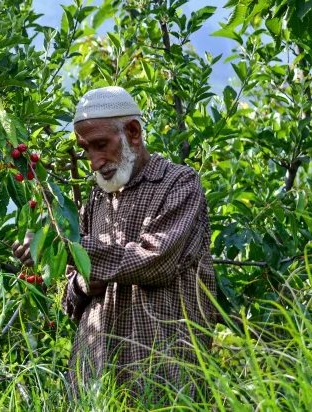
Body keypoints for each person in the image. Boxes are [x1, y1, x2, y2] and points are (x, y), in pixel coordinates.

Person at [14, 86, 217, 402]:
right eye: (86, 149)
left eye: (101, 145)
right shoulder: (97, 198)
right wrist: (80, 282)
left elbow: (156, 260)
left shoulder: (179, 183)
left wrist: (69, 246)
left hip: (166, 375)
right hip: (96, 378)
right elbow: (71, 299)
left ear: (133, 133)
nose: (94, 161)